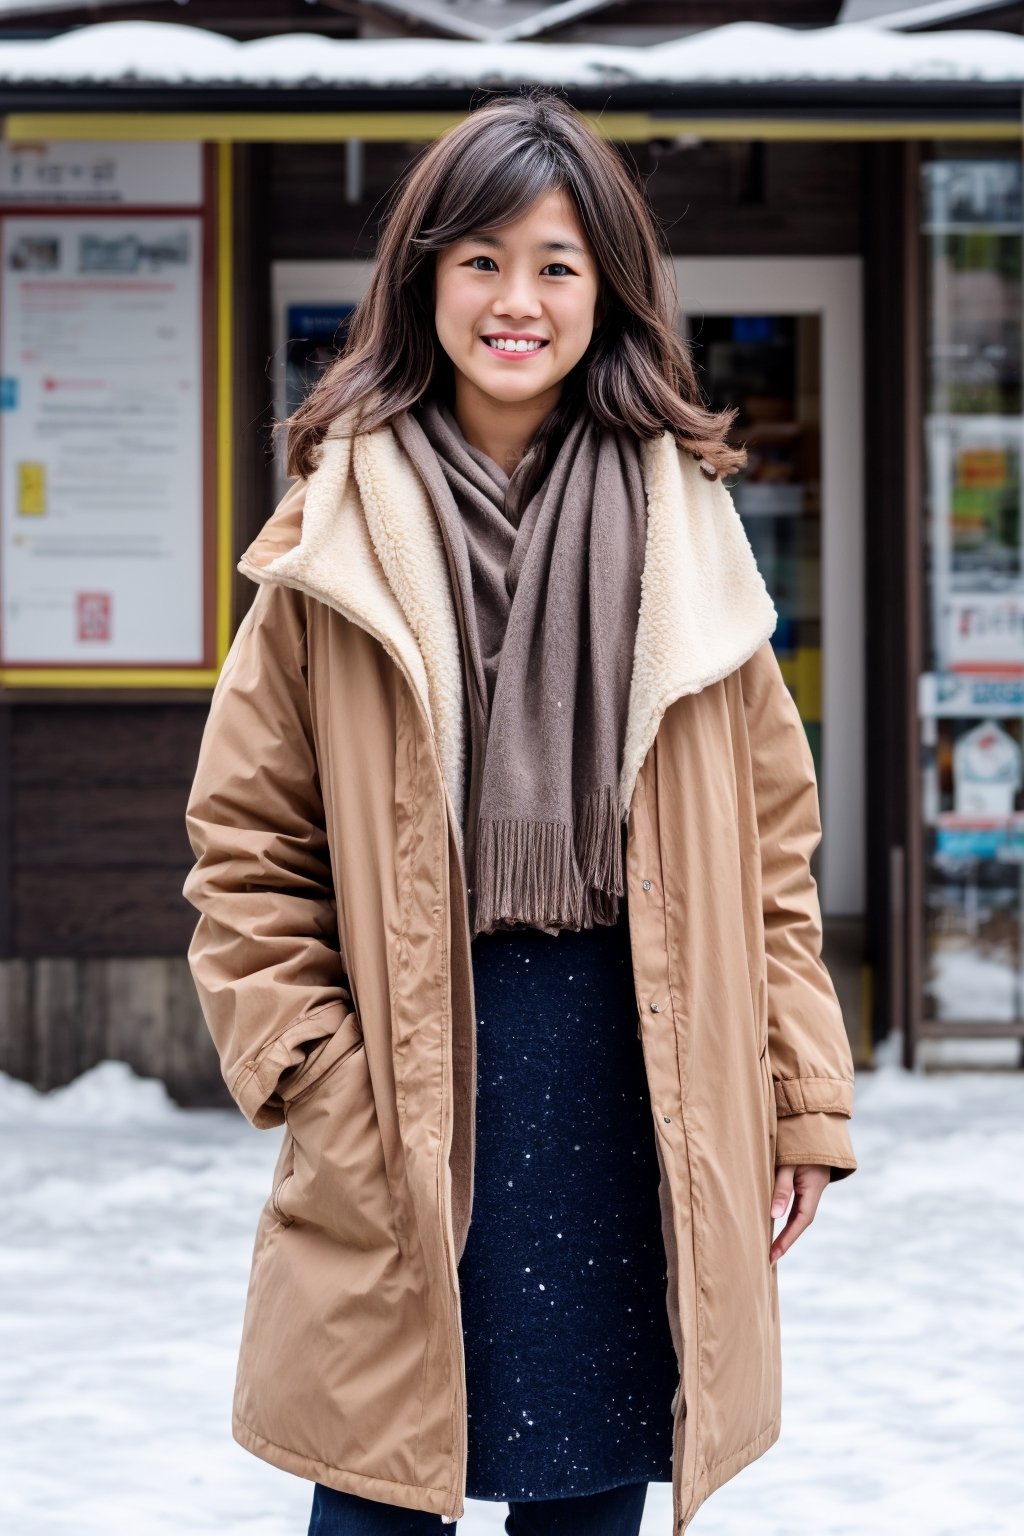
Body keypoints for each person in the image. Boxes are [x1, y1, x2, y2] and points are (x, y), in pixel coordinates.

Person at [182, 91, 858, 1536]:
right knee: (372, 1496)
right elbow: (245, 854)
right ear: (422, 279)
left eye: (556, 263)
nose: (517, 299)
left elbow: (774, 856)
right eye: (481, 258)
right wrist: (324, 1084)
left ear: (605, 287)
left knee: (590, 1498)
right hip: (416, 1093)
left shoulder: (689, 531)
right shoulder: (335, 535)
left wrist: (799, 1094)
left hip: (636, 1090)